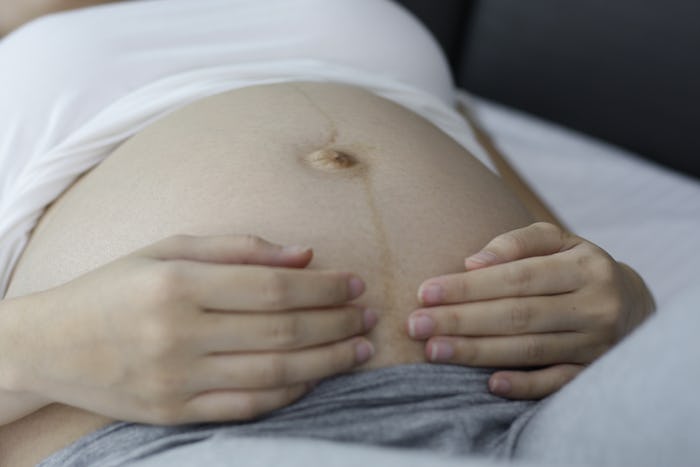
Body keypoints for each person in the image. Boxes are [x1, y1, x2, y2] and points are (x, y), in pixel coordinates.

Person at [0, 1, 682, 466]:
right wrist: (46, 343)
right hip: (189, 433)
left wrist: (625, 301)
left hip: (531, 411)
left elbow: (562, 247)